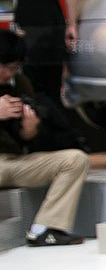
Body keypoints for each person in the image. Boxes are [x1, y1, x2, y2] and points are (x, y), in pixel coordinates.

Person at [0, 29, 89, 246]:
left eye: (14, 67)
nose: (8, 74)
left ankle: (45, 228)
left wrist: (29, 130)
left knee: (75, 159)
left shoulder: (20, 84)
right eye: (4, 67)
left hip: (11, 162)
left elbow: (27, 140)